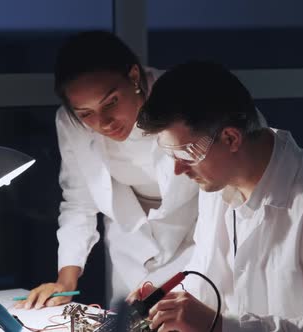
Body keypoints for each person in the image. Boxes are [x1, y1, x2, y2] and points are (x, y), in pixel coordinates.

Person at [130, 61, 303, 331]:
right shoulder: (216, 186)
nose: (178, 169)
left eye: (185, 154)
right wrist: (167, 303)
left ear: (231, 138)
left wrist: (219, 326)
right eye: (170, 154)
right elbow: (208, 278)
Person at [16, 31, 200, 310]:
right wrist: (65, 282)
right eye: (86, 113)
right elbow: (79, 202)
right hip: (133, 244)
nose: (104, 123)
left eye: (111, 102)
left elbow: (225, 191)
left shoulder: (184, 98)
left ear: (135, 77)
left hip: (197, 232)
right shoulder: (69, 123)